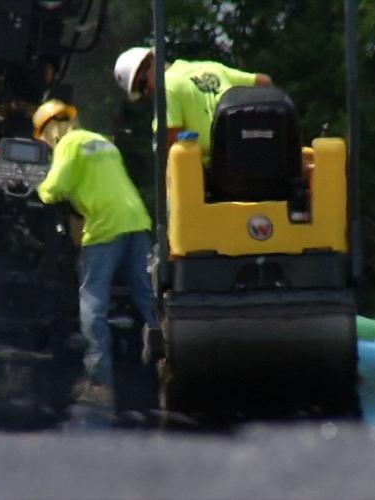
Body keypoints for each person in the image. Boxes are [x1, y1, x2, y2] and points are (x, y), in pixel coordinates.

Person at [33, 99, 161, 406]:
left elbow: (54, 188)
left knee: (92, 302)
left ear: (49, 132)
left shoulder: (67, 145)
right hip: (137, 220)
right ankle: (165, 363)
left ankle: (100, 381)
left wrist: (38, 186)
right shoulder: (102, 142)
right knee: (147, 296)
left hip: (105, 227)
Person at [113, 47, 273, 164]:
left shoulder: (166, 86)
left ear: (150, 62)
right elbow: (263, 81)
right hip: (260, 159)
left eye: (141, 84)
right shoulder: (211, 67)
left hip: (218, 179)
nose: (146, 92)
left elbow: (171, 145)